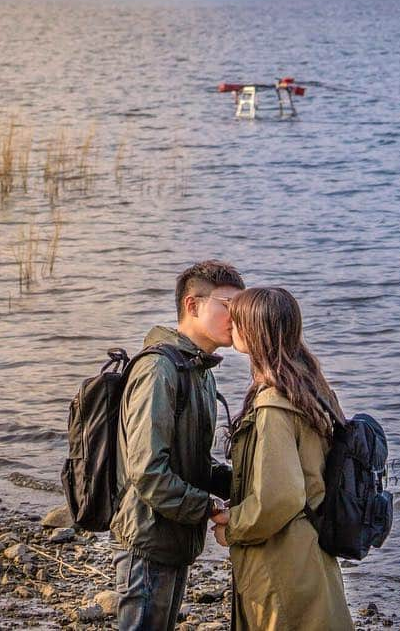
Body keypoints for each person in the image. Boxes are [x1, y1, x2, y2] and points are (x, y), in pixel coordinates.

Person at [111, 260, 246, 631]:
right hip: (147, 539)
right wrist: (208, 507)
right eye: (228, 306)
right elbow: (148, 471)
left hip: (173, 536)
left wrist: (249, 485)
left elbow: (194, 462)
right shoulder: (160, 369)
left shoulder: (198, 370)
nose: (237, 318)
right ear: (193, 305)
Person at [211, 286, 354, 631]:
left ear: (256, 333)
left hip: (284, 558)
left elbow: (280, 497)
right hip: (313, 550)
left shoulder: (274, 404)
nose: (230, 324)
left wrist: (232, 524)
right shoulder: (311, 388)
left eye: (238, 319)